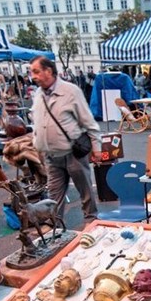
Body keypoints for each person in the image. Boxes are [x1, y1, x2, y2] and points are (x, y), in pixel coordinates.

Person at [29, 55, 100, 221]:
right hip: (51, 156)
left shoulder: (70, 91)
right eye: (32, 72)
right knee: (53, 198)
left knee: (86, 193)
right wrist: (37, 145)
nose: (33, 76)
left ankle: (92, 224)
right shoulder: (38, 94)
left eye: (36, 71)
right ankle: (56, 230)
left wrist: (97, 149)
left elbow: (89, 122)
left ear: (49, 71)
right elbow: (37, 123)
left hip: (73, 153)